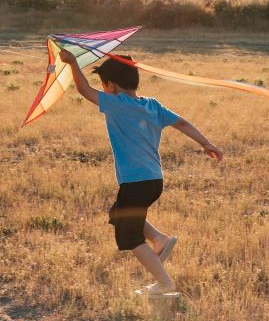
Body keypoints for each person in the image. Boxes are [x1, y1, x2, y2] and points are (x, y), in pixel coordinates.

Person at [59, 50, 223, 296]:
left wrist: (72, 63)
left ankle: (164, 283)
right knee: (119, 213)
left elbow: (84, 90)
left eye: (103, 86)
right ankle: (159, 240)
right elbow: (182, 123)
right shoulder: (152, 105)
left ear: (111, 86)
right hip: (154, 180)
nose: (102, 91)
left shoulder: (116, 104)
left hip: (135, 182)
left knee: (129, 235)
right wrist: (206, 143)